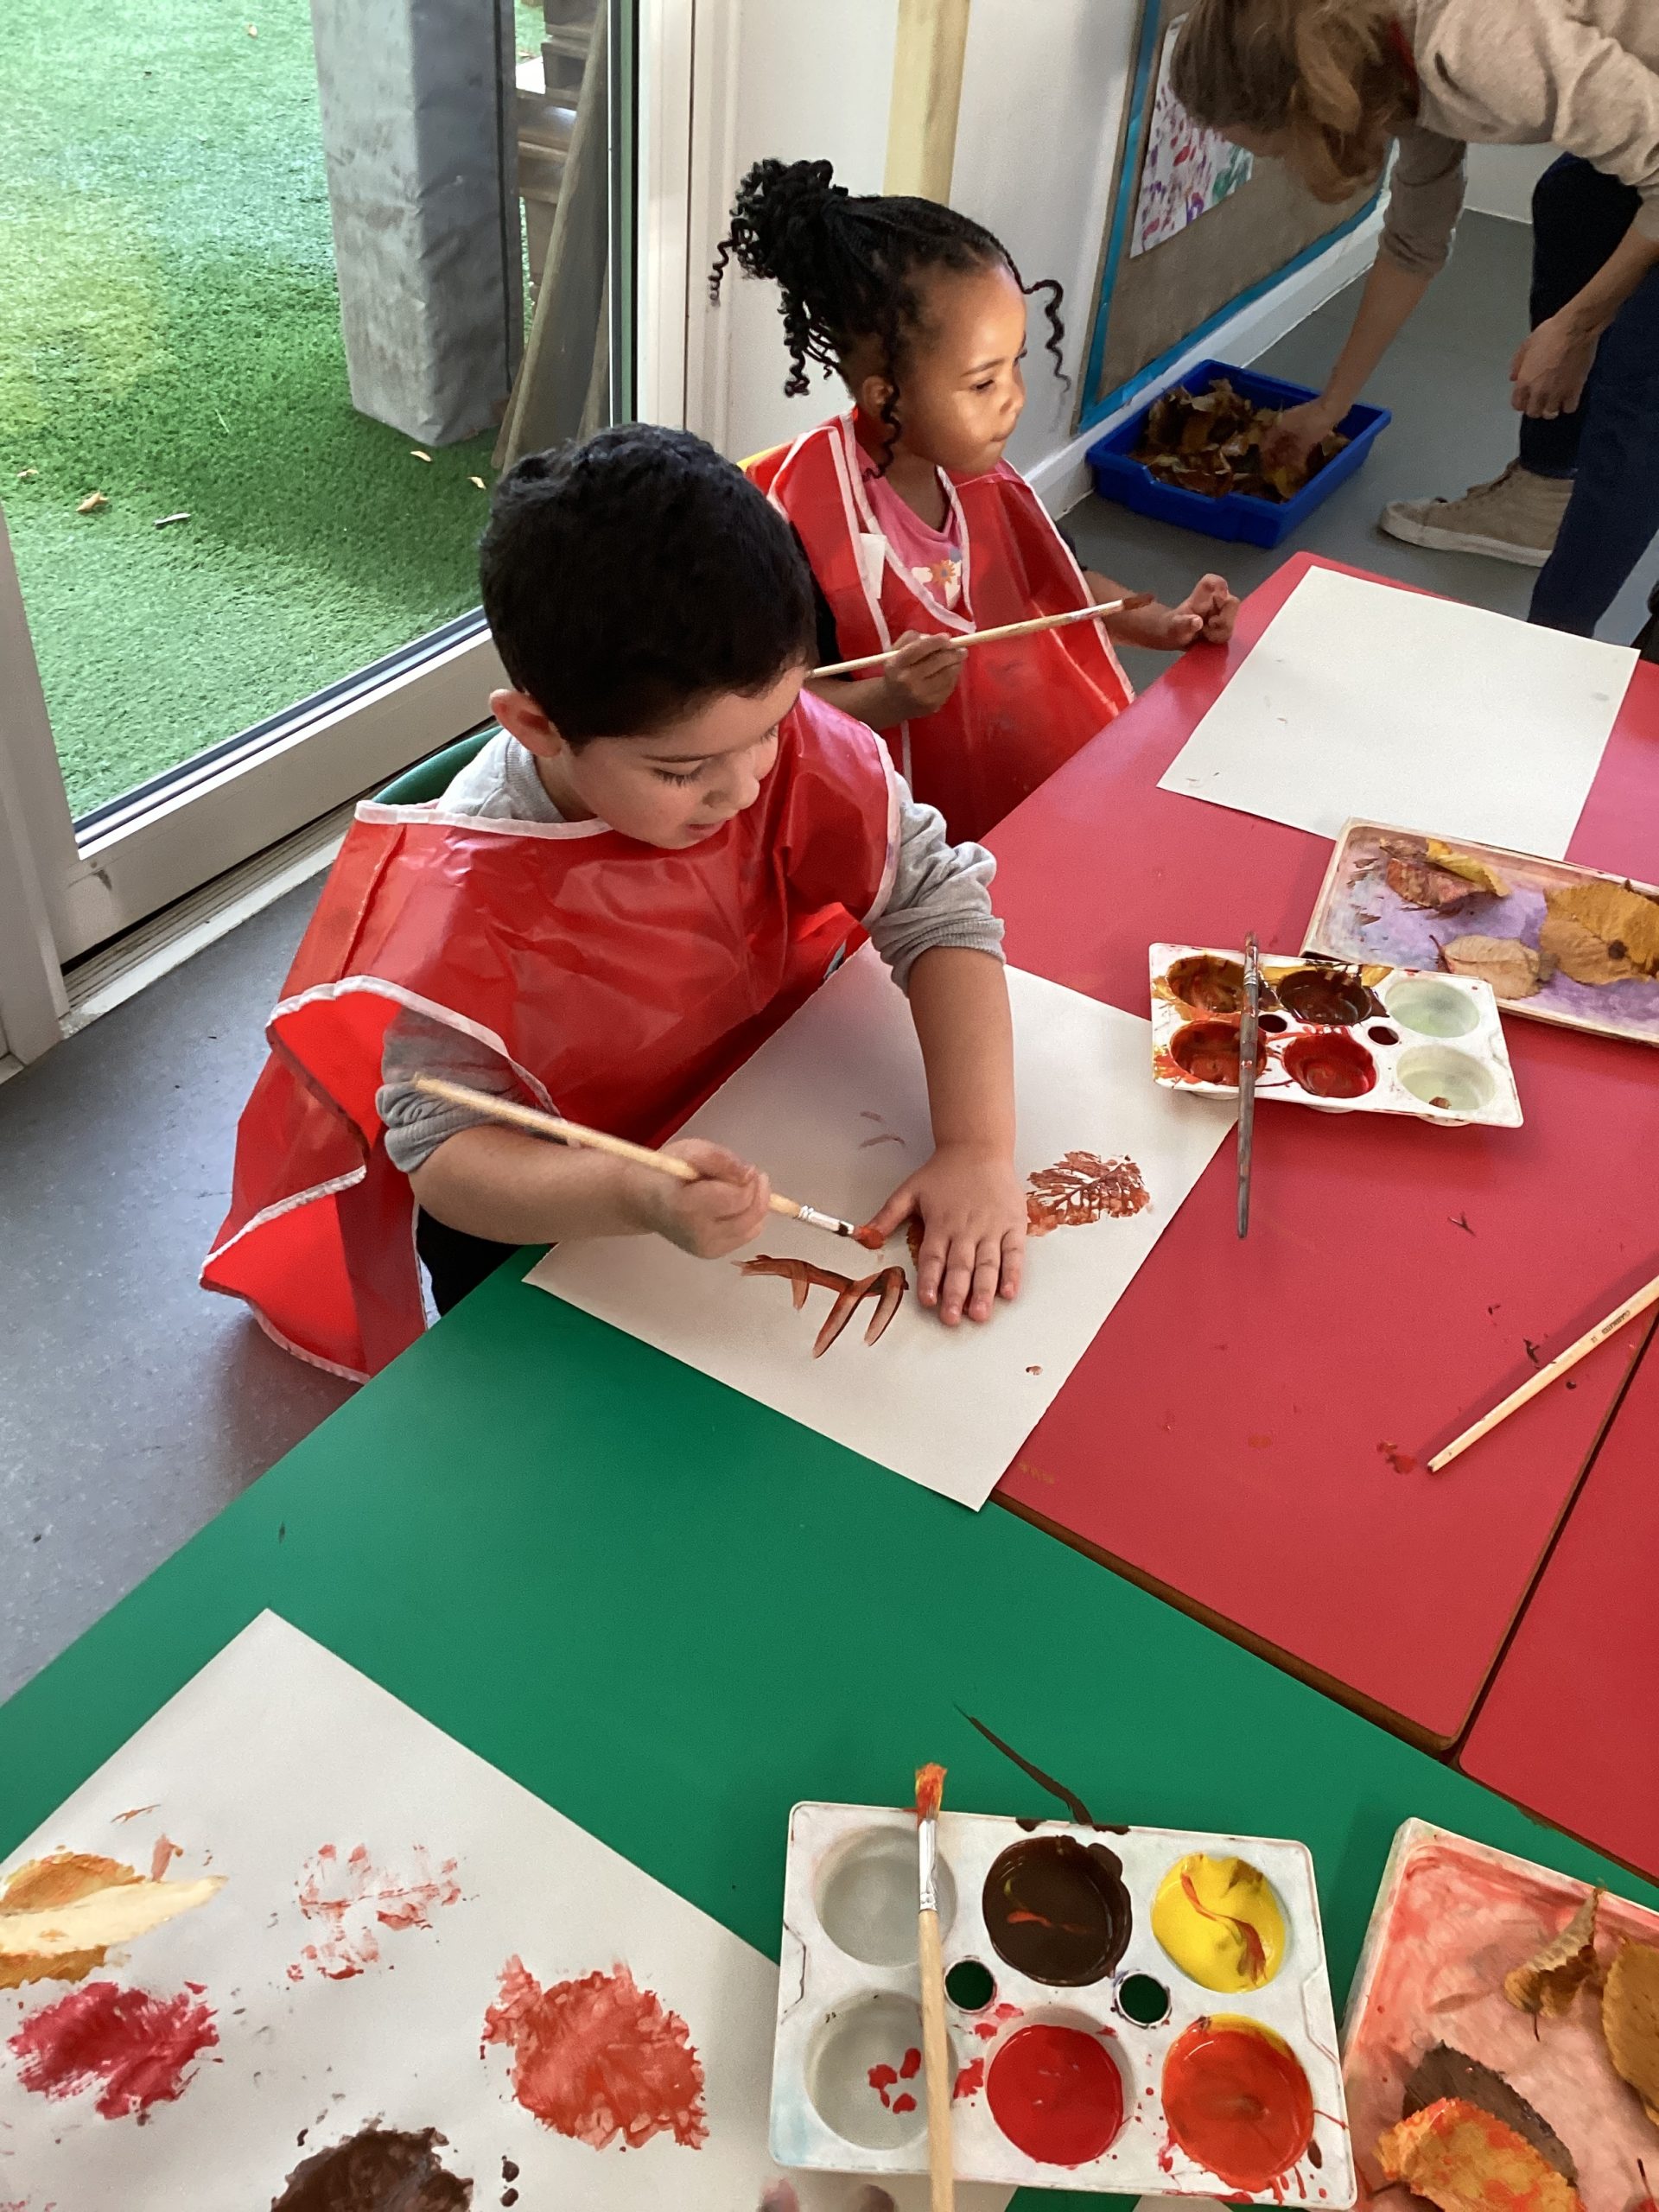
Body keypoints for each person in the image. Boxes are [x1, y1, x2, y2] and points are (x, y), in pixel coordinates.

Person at [203, 428, 1026, 1379]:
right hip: (555, 1232)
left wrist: (978, 1148)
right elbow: (441, 1152)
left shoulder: (758, 728)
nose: (744, 788)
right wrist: (632, 1195)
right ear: (538, 727)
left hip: (766, 1110)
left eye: (770, 729)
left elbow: (936, 900)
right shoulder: (475, 889)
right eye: (681, 771)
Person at [711, 159, 1239, 846]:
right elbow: (766, 706)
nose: (1015, 397)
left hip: (1010, 796)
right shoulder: (794, 517)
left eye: (1017, 362)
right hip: (887, 834)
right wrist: (883, 699)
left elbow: (1061, 585)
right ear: (886, 396)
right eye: (983, 382)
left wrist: (1165, 624)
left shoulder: (982, 479)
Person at [1173, 0, 1659, 639]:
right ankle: (1544, 495)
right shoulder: (1382, 52)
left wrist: (1579, 326)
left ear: (1308, 105)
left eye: (1275, 148)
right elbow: (1415, 237)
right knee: (1572, 200)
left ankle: (1558, 640)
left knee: (1640, 390)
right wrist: (1331, 405)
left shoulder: (1471, 42)